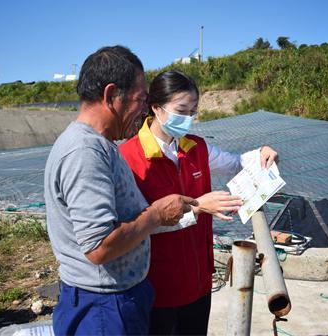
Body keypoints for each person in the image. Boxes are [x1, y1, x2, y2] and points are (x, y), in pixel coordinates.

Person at [44, 46, 197, 335]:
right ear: (112, 95)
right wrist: (156, 215)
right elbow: (99, 246)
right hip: (103, 308)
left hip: (114, 300)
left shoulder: (100, 145)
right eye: (140, 100)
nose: (143, 110)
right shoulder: (84, 152)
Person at [119, 70, 278, 335]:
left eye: (193, 111)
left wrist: (262, 154)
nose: (188, 119)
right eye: (181, 110)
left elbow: (235, 163)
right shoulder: (129, 157)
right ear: (156, 108)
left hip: (198, 282)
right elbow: (135, 227)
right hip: (157, 287)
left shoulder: (196, 148)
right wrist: (198, 207)